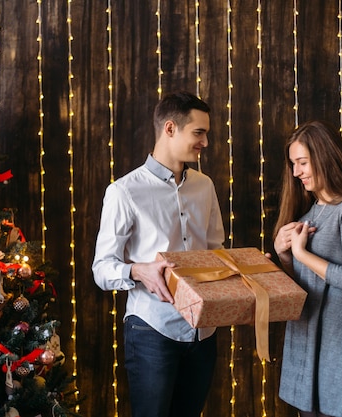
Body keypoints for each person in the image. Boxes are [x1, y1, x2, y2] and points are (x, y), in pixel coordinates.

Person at [92, 91, 225, 417]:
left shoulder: (205, 186)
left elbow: (215, 252)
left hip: (204, 331)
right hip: (153, 331)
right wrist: (138, 271)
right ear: (170, 128)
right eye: (199, 132)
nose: (205, 142)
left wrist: (244, 270)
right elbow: (102, 268)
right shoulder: (124, 191)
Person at [273, 120, 342, 417]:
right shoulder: (310, 213)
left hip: (338, 340)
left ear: (325, 157)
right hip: (308, 337)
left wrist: (301, 253)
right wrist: (285, 257)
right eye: (294, 164)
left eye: (303, 163)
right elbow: (305, 286)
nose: (296, 173)